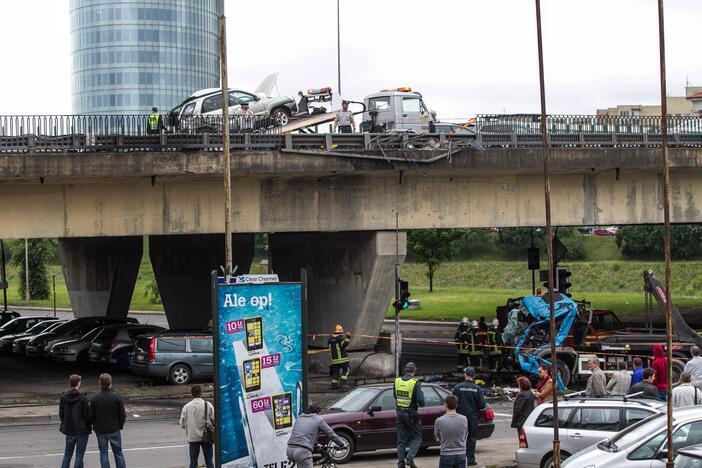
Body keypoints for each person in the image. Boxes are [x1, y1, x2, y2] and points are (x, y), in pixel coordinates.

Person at [286, 403, 346, 468]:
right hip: (302, 451)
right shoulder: (318, 419)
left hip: (290, 450)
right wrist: (341, 444)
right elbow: (331, 434)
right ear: (317, 412)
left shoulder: (300, 417)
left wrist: (316, 444)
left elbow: (304, 433)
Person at [90, 373, 127, 468]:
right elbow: (122, 414)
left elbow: (91, 416)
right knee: (118, 453)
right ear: (110, 383)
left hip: (101, 430)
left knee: (103, 454)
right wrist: (120, 425)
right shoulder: (117, 397)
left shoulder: (95, 398)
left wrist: (95, 425)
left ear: (100, 383)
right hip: (114, 429)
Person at [452, 367, 486, 467]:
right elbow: (482, 405)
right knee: (471, 438)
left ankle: (458, 460)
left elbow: (452, 401)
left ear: (465, 375)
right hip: (472, 417)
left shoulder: (458, 387)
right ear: (474, 376)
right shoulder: (477, 388)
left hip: (459, 417)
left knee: (459, 438)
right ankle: (470, 460)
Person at [394, 362, 425, 468]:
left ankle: (401, 463)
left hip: (399, 413)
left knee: (401, 440)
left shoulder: (397, 381)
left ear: (405, 370)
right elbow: (422, 402)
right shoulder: (415, 382)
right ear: (414, 371)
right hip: (411, 414)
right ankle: (409, 458)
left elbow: (395, 395)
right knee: (417, 437)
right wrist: (421, 395)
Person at [59, 374, 91, 468]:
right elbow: (87, 415)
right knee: (79, 455)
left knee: (67, 454)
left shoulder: (64, 398)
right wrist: (89, 425)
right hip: (82, 430)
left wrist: (65, 422)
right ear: (78, 383)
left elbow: (61, 413)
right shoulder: (83, 398)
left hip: (69, 429)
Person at [180, 384, 215, 468]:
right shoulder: (208, 404)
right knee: (209, 460)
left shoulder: (187, 407)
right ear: (201, 393)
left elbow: (182, 424)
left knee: (193, 462)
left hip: (193, 437)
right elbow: (214, 419)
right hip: (207, 436)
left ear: (192, 394)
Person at [434, 395, 468, 468]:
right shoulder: (464, 419)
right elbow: (465, 434)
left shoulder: (439, 421)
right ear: (457, 405)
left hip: (446, 454)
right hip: (461, 454)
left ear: (445, 405)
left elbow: (437, 437)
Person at [327, 324, 351, 389]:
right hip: (343, 360)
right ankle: (343, 384)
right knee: (346, 370)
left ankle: (334, 385)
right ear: (341, 332)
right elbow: (344, 345)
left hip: (334, 361)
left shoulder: (330, 340)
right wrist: (348, 337)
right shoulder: (340, 339)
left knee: (335, 372)